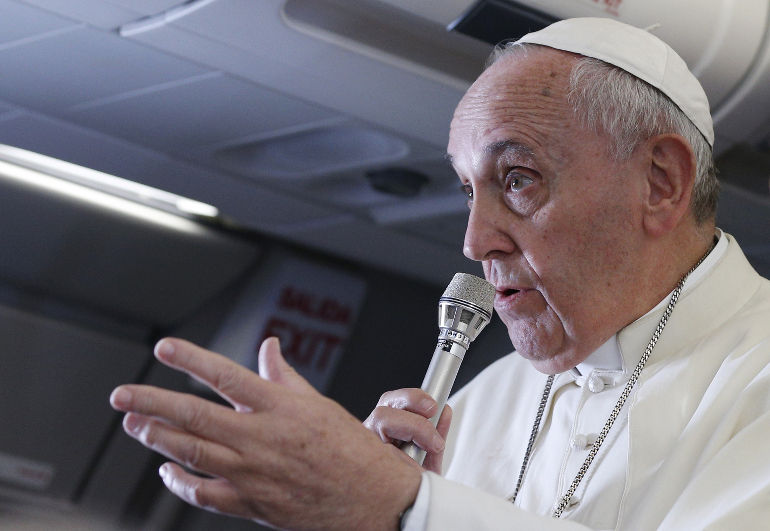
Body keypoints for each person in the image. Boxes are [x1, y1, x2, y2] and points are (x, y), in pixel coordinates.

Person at [110, 17, 770, 531]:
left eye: (518, 179)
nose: (474, 239)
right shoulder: (481, 403)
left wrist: (406, 505)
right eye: (466, 189)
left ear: (660, 182)